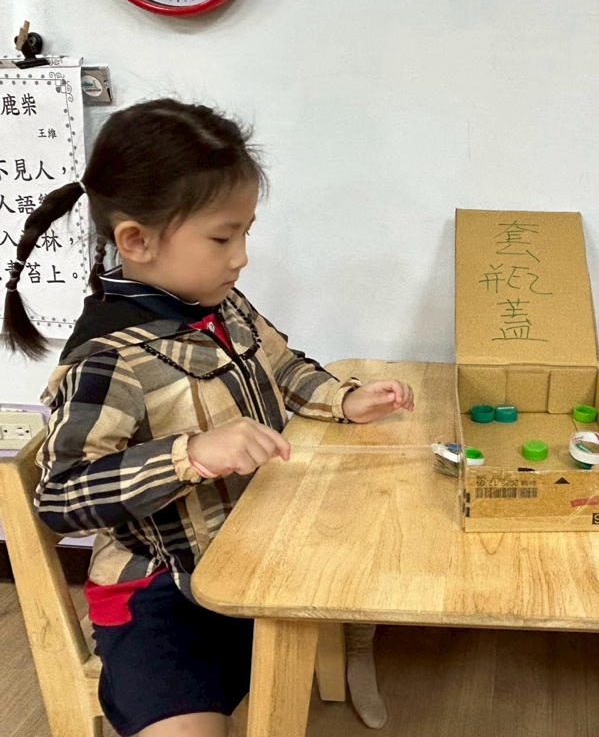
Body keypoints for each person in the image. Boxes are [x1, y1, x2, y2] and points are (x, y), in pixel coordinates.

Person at [3, 98, 410, 737]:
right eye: (223, 237)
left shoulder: (222, 305)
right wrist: (189, 455)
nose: (241, 256)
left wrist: (345, 399)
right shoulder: (109, 359)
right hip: (160, 598)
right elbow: (62, 497)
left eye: (246, 232)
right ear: (136, 241)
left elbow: (284, 366)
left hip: (251, 556)